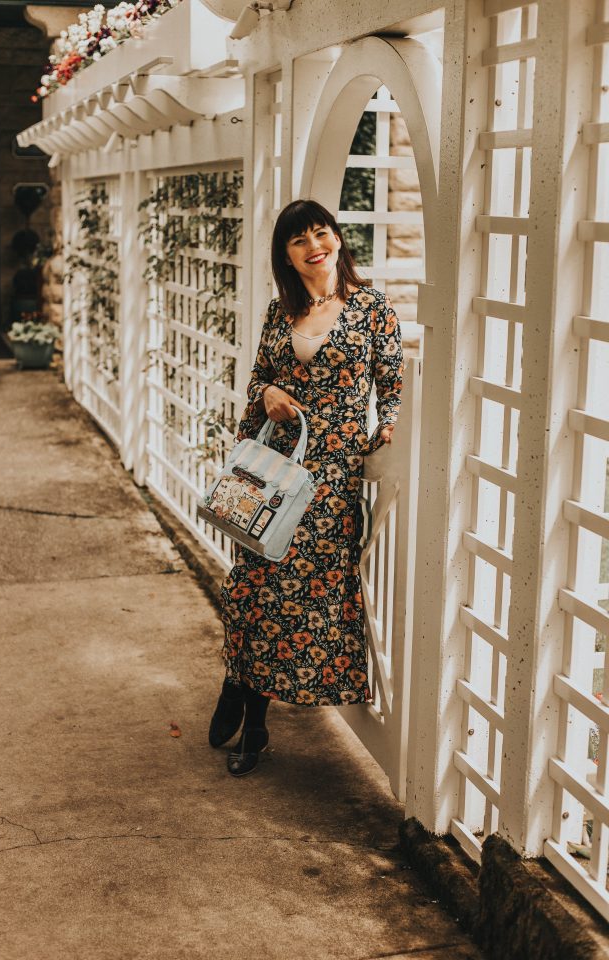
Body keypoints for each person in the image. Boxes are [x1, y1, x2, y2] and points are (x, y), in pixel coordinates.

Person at [209, 198, 404, 776]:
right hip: (277, 466)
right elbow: (261, 377)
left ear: (338, 240)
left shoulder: (371, 308)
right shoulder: (281, 310)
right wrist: (268, 392)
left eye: (321, 233)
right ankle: (245, 699)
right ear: (287, 256)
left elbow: (391, 384)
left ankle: (247, 698)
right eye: (299, 240)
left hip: (331, 478)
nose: (313, 245)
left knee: (302, 592)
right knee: (257, 580)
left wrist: (387, 428)